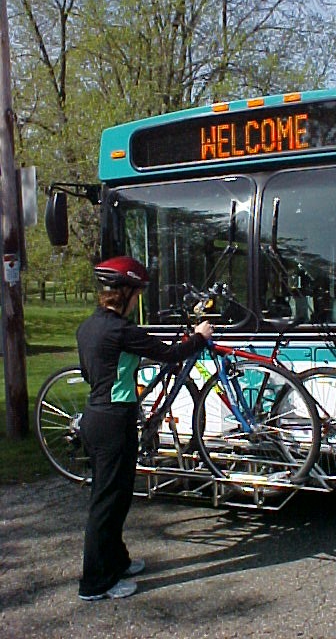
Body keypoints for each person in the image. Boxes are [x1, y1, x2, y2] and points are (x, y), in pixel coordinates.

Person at [77, 256, 213, 601]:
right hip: (113, 422)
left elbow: (87, 372)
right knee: (106, 503)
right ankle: (95, 583)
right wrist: (199, 337)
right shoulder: (121, 331)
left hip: (97, 417)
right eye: (137, 293)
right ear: (125, 294)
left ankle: (116, 561)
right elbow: (171, 354)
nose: (138, 300)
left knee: (118, 497)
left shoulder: (89, 327)